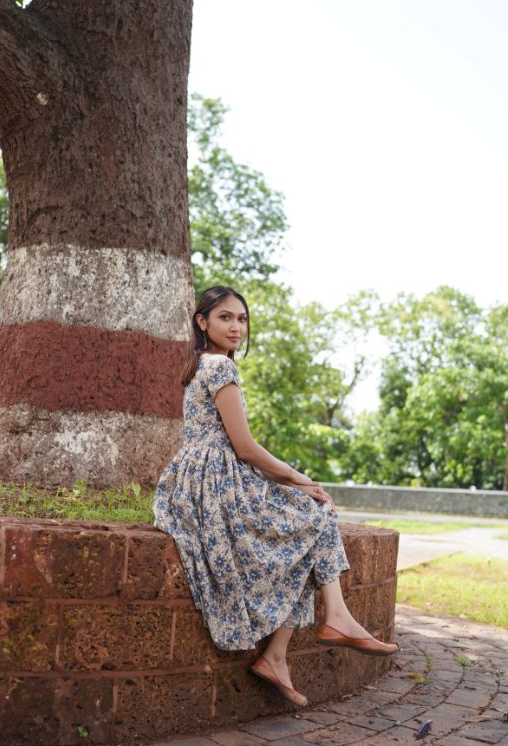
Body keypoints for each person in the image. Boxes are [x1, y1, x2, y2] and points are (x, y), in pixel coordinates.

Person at [153, 285, 399, 708]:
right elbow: (245, 448)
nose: (235, 327)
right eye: (225, 317)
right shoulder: (221, 370)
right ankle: (335, 617)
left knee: (307, 531)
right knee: (318, 515)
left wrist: (291, 483)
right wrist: (299, 477)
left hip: (193, 481)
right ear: (202, 322)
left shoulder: (198, 367)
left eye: (242, 319)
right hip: (216, 483)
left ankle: (277, 655)